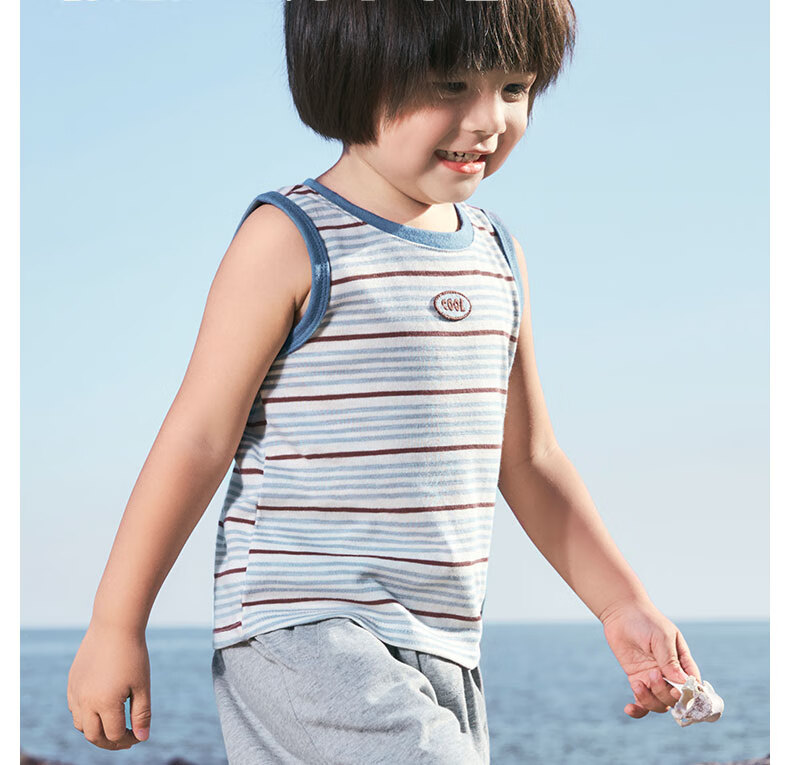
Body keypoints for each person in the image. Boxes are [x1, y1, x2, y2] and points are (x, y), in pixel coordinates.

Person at [66, 1, 703, 762]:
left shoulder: (498, 256)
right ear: (353, 74)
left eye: (515, 88)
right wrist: (116, 625)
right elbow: (198, 438)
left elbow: (530, 458)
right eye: (451, 85)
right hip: (304, 629)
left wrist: (621, 603)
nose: (488, 120)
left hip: (444, 643)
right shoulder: (290, 238)